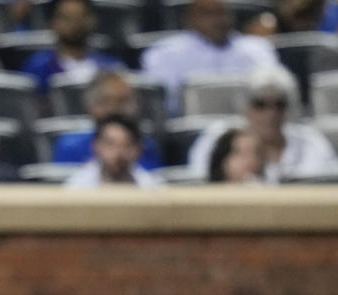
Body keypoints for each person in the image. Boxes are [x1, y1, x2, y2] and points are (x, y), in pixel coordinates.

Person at [187, 65, 337, 183]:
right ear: (245, 107)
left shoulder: (311, 142)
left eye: (280, 104)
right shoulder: (219, 137)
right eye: (260, 104)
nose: (271, 113)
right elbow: (201, 185)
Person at [141, 0, 279, 117]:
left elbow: (274, 92)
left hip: (250, 124)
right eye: (208, 14)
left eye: (222, 13)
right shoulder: (164, 53)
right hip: (192, 130)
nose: (218, 20)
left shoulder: (258, 49)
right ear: (190, 19)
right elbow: (166, 105)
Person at [51, 70, 163, 170]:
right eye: (120, 101)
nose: (130, 109)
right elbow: (64, 190)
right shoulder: (70, 146)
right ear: (95, 105)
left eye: (131, 101)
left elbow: (152, 185)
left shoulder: (145, 144)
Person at [20, 0, 123, 96]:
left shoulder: (111, 67)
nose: (75, 24)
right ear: (53, 23)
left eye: (80, 17)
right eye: (67, 18)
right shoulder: (37, 68)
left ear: (92, 20)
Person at [64, 114, 164, 187]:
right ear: (95, 145)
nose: (118, 152)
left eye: (126, 145)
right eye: (110, 144)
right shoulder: (76, 187)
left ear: (138, 149)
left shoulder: (152, 187)